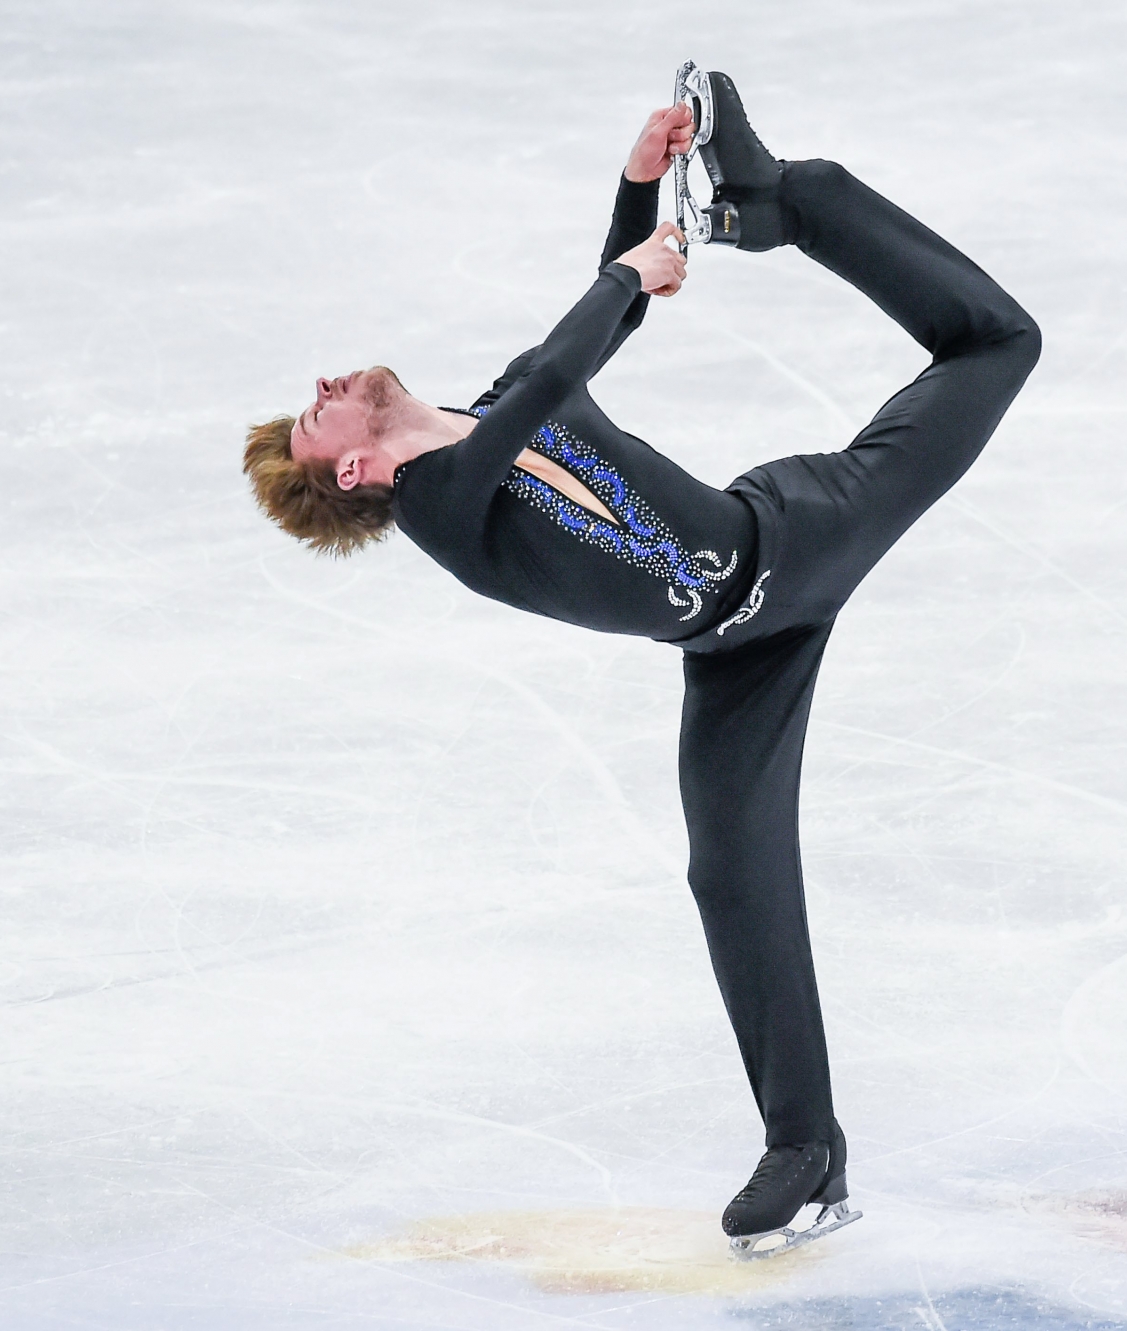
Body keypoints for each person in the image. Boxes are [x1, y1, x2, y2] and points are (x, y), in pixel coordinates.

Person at [241, 73, 1040, 1253]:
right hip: (732, 645)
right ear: (353, 474)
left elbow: (593, 332)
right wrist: (627, 273)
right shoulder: (443, 506)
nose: (320, 389)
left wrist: (636, 192)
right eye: (315, 420)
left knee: (994, 342)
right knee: (730, 870)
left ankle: (785, 200)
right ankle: (805, 1147)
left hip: (792, 535)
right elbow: (569, 360)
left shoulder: (493, 406)